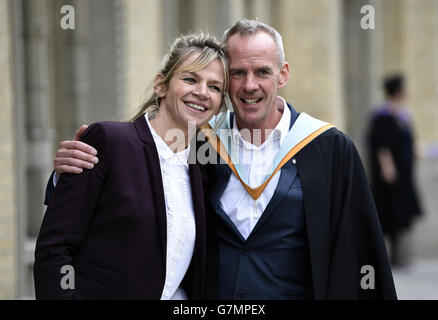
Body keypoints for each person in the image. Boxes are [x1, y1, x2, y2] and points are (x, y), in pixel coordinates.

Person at [45, 19, 397, 299]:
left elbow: (359, 249)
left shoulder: (328, 149)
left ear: (283, 74)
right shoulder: (205, 146)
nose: (249, 85)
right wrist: (65, 176)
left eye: (262, 72)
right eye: (238, 74)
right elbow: (127, 182)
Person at [33, 33, 229, 299]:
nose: (202, 92)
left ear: (218, 106)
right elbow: (54, 248)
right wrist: (60, 180)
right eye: (190, 79)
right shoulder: (109, 141)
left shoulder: (206, 166)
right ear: (161, 85)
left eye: (215, 87)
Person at [367, 74, 423, 267]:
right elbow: (382, 145)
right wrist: (387, 167)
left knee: (400, 213)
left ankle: (397, 253)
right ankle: (386, 255)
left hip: (404, 175)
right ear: (398, 91)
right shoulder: (382, 116)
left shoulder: (402, 115)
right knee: (388, 212)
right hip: (389, 176)